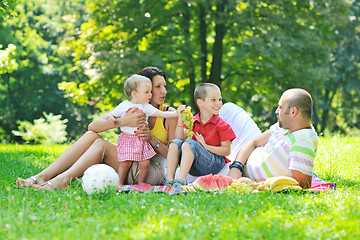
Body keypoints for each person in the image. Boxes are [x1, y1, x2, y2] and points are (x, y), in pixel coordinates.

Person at [15, 66, 178, 190]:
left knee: (101, 145)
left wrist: (151, 139)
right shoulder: (129, 107)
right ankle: (40, 177)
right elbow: (92, 127)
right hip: (128, 161)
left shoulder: (168, 114)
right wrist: (122, 121)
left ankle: (58, 183)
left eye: (164, 86)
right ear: (139, 90)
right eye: (157, 87)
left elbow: (175, 155)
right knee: (92, 136)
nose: (164, 91)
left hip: (150, 168)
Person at [227, 88, 318, 188]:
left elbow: (301, 185)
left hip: (243, 174)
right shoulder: (286, 125)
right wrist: (236, 167)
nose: (276, 111)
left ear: (293, 111)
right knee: (229, 109)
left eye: (280, 107)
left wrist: (262, 184)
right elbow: (253, 142)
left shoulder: (302, 140)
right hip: (242, 159)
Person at [107, 74, 184, 185]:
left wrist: (177, 113)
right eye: (147, 92)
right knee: (125, 164)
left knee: (145, 163)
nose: (150, 95)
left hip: (140, 140)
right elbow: (113, 114)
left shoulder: (145, 107)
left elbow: (162, 114)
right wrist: (111, 118)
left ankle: (141, 182)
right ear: (134, 94)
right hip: (128, 139)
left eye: (150, 92)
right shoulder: (124, 105)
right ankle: (120, 182)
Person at [164, 83, 236, 190]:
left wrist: (206, 147)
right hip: (195, 165)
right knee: (174, 143)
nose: (218, 103)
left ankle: (180, 182)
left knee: (190, 143)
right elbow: (179, 138)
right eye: (213, 100)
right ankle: (169, 181)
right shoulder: (192, 121)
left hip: (214, 163)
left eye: (220, 99)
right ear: (199, 102)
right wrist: (180, 118)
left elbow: (226, 150)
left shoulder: (222, 125)